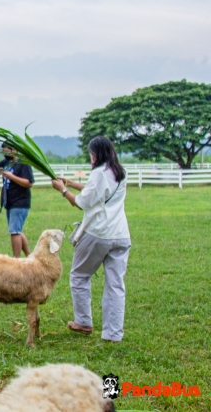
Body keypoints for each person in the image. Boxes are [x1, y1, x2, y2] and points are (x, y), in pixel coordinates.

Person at [51, 136, 130, 343]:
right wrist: (69, 182)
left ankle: (84, 321)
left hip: (98, 233)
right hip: (121, 234)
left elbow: (82, 203)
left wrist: (63, 190)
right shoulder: (120, 172)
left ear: (95, 154)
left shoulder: (98, 173)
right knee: (115, 284)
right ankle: (113, 333)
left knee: (79, 275)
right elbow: (95, 192)